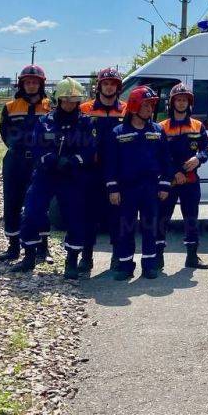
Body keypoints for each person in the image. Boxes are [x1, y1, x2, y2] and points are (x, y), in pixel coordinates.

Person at [11, 78, 96, 279]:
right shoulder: (44, 122)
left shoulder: (86, 122)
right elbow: (37, 146)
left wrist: (73, 161)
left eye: (74, 100)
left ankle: (72, 261)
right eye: (66, 100)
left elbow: (90, 148)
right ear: (58, 99)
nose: (70, 104)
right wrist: (52, 160)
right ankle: (29, 256)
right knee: (32, 212)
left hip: (72, 176)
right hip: (45, 175)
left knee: (76, 217)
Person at [102, 85, 174, 281]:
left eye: (152, 105)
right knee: (126, 227)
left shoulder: (158, 131)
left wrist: (165, 184)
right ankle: (125, 266)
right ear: (134, 107)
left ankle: (149, 266)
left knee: (150, 227)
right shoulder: (118, 132)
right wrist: (113, 188)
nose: (150, 109)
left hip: (151, 188)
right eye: (146, 105)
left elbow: (166, 161)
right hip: (126, 189)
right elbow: (110, 163)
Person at [0, 65, 52, 263]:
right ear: (22, 84)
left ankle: (43, 248)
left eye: (34, 82)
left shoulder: (49, 106)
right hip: (16, 161)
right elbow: (4, 133)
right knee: (12, 202)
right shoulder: (11, 107)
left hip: (40, 162)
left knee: (40, 204)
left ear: (41, 84)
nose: (31, 86)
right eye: (27, 82)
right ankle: (13, 247)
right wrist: (19, 149)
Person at [158, 83, 208, 271]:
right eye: (178, 100)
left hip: (191, 180)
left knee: (191, 218)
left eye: (184, 100)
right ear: (172, 103)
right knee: (162, 218)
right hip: (169, 181)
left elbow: (205, 148)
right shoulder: (161, 127)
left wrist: (199, 158)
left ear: (189, 103)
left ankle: (191, 256)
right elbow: (160, 154)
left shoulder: (198, 125)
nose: (181, 103)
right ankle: (157, 257)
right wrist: (175, 172)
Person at [80, 67, 126, 273]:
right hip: (91, 172)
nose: (109, 87)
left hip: (118, 172)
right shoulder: (84, 109)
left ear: (118, 87)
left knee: (117, 216)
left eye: (113, 84)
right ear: (99, 86)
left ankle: (117, 256)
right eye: (105, 84)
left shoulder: (127, 110)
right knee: (88, 215)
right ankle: (86, 257)